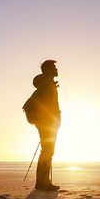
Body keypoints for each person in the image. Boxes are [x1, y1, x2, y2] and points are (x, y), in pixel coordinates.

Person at [26, 60, 61, 191]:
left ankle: (42, 181)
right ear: (47, 70)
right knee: (47, 151)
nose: (56, 69)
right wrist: (54, 120)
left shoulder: (47, 84)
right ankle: (42, 182)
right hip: (47, 122)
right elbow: (49, 106)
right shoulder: (47, 84)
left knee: (47, 151)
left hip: (45, 122)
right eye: (54, 67)